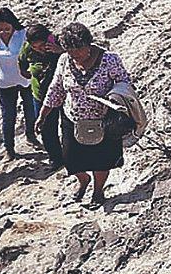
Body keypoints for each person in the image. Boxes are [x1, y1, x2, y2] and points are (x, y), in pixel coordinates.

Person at [38, 22, 132, 207]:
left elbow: (125, 84)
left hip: (103, 120)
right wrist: (43, 114)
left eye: (79, 50)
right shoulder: (64, 60)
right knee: (71, 160)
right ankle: (83, 181)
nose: (76, 56)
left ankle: (98, 191)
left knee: (102, 161)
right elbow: (56, 88)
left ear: (88, 44)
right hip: (72, 119)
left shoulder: (109, 60)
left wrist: (115, 100)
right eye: (71, 51)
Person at [0, 7, 35, 159]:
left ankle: (31, 135)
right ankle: (9, 147)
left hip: (26, 79)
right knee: (8, 115)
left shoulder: (23, 35)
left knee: (31, 110)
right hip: (4, 82)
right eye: (0, 29)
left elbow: (35, 50)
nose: (3, 32)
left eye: (7, 29)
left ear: (13, 25)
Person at [19, 23, 64, 169]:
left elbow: (77, 58)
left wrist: (61, 51)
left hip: (63, 94)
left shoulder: (58, 42)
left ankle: (71, 154)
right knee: (46, 128)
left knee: (67, 126)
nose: (39, 49)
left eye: (42, 45)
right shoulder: (27, 49)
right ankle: (55, 158)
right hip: (41, 95)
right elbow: (21, 62)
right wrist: (27, 74)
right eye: (35, 47)